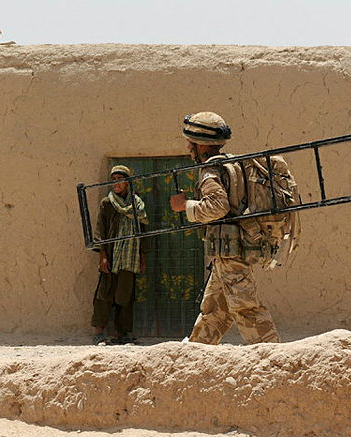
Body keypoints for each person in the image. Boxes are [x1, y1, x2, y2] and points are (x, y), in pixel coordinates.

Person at [169, 112, 280, 345]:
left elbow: (218, 206)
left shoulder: (211, 170)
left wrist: (185, 206)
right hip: (226, 251)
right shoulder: (233, 163)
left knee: (245, 308)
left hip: (231, 252)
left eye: (190, 142)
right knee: (214, 311)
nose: (188, 147)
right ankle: (196, 356)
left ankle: (274, 358)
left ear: (201, 145)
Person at [91, 165, 151, 345]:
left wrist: (142, 256)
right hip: (111, 254)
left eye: (120, 179)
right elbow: (100, 228)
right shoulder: (107, 203)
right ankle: (99, 332)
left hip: (130, 256)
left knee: (125, 295)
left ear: (128, 182)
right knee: (104, 293)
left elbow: (143, 231)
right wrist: (102, 255)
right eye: (113, 179)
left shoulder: (138, 204)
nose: (116, 183)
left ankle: (121, 333)